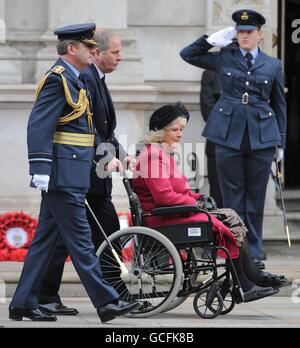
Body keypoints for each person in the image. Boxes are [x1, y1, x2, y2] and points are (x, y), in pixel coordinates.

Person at [9, 23, 140, 323]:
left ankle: (23, 303)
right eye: (87, 47)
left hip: (73, 172)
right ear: (72, 49)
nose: (93, 51)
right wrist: (40, 168)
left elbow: (90, 131)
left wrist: (111, 154)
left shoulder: (75, 79)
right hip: (62, 174)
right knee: (81, 241)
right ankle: (107, 301)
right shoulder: (59, 80)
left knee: (45, 241)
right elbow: (39, 125)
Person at [133, 102, 287, 303]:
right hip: (163, 218)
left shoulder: (161, 154)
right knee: (227, 222)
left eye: (181, 129)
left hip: (173, 212)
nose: (180, 134)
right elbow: (164, 197)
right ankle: (248, 282)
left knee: (230, 216)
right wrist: (194, 204)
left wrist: (197, 198)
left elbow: (176, 192)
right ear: (160, 131)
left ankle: (250, 278)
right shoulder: (153, 156)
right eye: (175, 130)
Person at [180, 9, 287, 269]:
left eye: (249, 32)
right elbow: (187, 54)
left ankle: (254, 248)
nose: (244, 36)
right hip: (227, 134)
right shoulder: (224, 58)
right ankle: (232, 246)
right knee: (232, 196)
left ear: (260, 35)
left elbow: (280, 105)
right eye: (240, 32)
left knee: (256, 195)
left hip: (261, 136)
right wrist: (210, 39)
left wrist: (280, 142)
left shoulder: (273, 65)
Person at [37, 29, 131, 315]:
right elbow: (82, 131)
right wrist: (105, 158)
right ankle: (114, 296)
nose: (120, 57)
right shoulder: (80, 77)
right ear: (96, 53)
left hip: (88, 169)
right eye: (114, 52)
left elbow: (104, 128)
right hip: (81, 170)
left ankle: (40, 296)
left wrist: (122, 155)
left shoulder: (93, 79)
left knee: (55, 239)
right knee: (94, 234)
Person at [200, 69, 222, 208]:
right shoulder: (211, 73)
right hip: (218, 144)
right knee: (218, 195)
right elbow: (208, 112)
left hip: (247, 147)